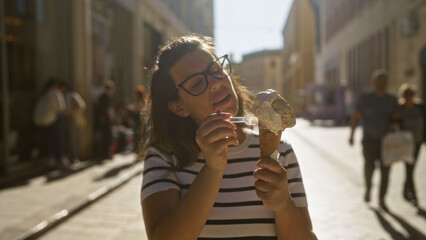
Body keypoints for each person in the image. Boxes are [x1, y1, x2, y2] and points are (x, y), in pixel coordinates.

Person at [140, 35, 316, 239]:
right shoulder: (164, 157)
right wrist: (213, 168)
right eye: (197, 83)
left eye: (215, 69)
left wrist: (284, 204)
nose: (215, 83)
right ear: (179, 107)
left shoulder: (281, 153)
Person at [348, 69, 398, 211]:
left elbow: (396, 118)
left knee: (386, 171)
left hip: (387, 142)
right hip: (369, 140)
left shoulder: (391, 100)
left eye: (385, 80)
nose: (382, 83)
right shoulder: (365, 99)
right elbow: (356, 117)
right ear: (374, 82)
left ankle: (382, 198)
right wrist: (351, 135)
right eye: (380, 80)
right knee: (369, 167)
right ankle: (368, 188)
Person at [396, 83, 424, 206]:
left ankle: (405, 190)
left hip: (417, 142)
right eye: (406, 94)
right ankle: (413, 194)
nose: (408, 96)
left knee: (411, 168)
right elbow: (393, 123)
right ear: (403, 95)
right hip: (405, 144)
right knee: (409, 168)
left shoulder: (420, 107)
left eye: (410, 94)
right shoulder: (400, 109)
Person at [34, 78, 68, 168]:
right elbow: (60, 107)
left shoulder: (43, 93)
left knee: (48, 140)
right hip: (54, 119)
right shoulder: (55, 93)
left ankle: (51, 158)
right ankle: (60, 159)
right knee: (57, 140)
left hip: (44, 121)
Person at [58, 82, 86, 163]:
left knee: (71, 138)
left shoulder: (72, 95)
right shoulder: (61, 96)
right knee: (64, 138)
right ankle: (67, 157)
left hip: (70, 119)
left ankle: (74, 157)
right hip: (63, 119)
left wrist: (73, 114)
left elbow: (81, 106)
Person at [94, 79, 116, 160]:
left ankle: (104, 153)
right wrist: (112, 118)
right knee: (107, 137)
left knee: (104, 136)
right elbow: (108, 109)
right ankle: (107, 153)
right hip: (106, 120)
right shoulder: (107, 97)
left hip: (101, 119)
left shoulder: (101, 97)